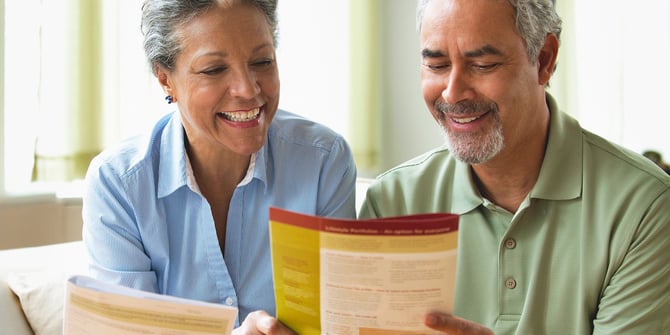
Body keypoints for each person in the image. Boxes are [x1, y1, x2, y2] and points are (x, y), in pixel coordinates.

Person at [359, 0, 670, 334]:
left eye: (482, 64)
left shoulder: (644, 208)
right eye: (437, 65)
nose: (453, 93)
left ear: (545, 59)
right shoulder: (392, 203)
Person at [81, 0, 355, 334]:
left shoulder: (323, 161)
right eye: (213, 69)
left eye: (262, 62)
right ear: (166, 80)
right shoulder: (118, 184)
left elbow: (341, 320)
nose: (248, 89)